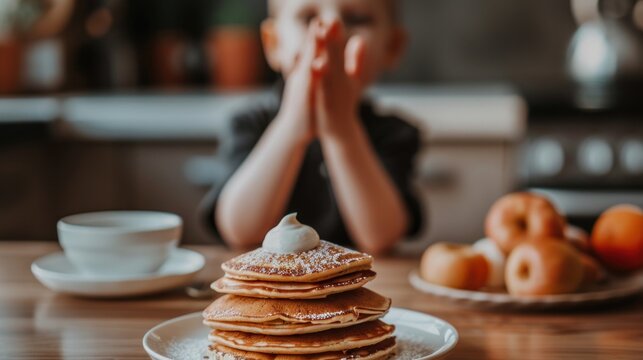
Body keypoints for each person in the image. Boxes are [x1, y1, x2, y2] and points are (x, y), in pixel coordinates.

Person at [200, 0, 423, 254]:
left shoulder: (395, 133)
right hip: (271, 289)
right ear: (273, 44)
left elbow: (381, 239)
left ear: (392, 47)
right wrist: (292, 123)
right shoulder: (248, 123)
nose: (332, 30)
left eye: (357, 18)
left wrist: (342, 129)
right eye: (308, 17)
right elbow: (240, 232)